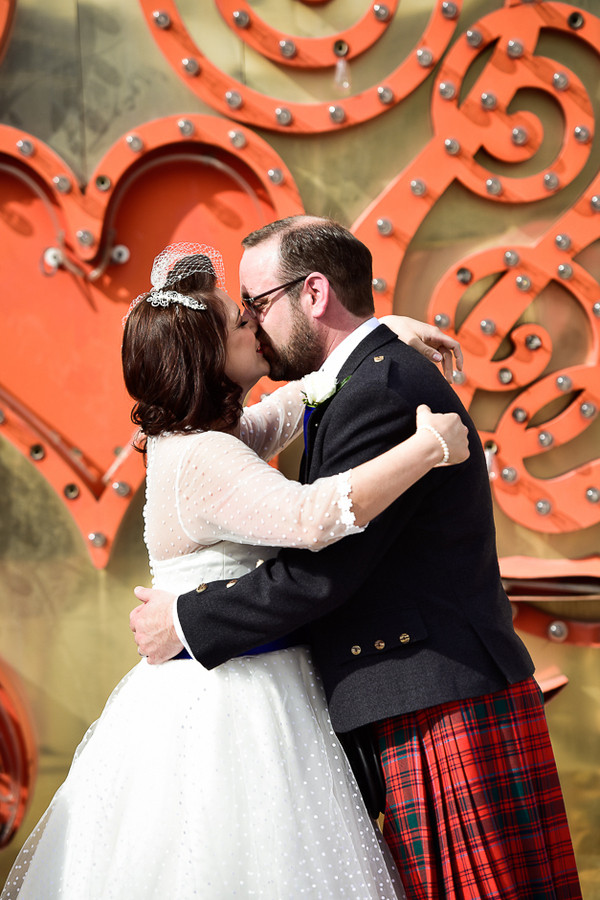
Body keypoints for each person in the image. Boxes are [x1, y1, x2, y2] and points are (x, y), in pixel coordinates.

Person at [1, 241, 469, 900]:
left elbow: (297, 399)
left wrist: (377, 332)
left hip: (234, 681)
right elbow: (312, 518)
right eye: (237, 320)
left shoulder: (202, 440)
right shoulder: (204, 458)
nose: (254, 323)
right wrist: (426, 450)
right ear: (206, 357)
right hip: (228, 707)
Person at [132, 217, 582, 900]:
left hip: (435, 697)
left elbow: (323, 569)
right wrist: (414, 417)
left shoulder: (376, 389)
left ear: (314, 294)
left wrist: (188, 621)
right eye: (240, 314)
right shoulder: (323, 398)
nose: (252, 322)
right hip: (381, 699)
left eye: (256, 304)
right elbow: (307, 484)